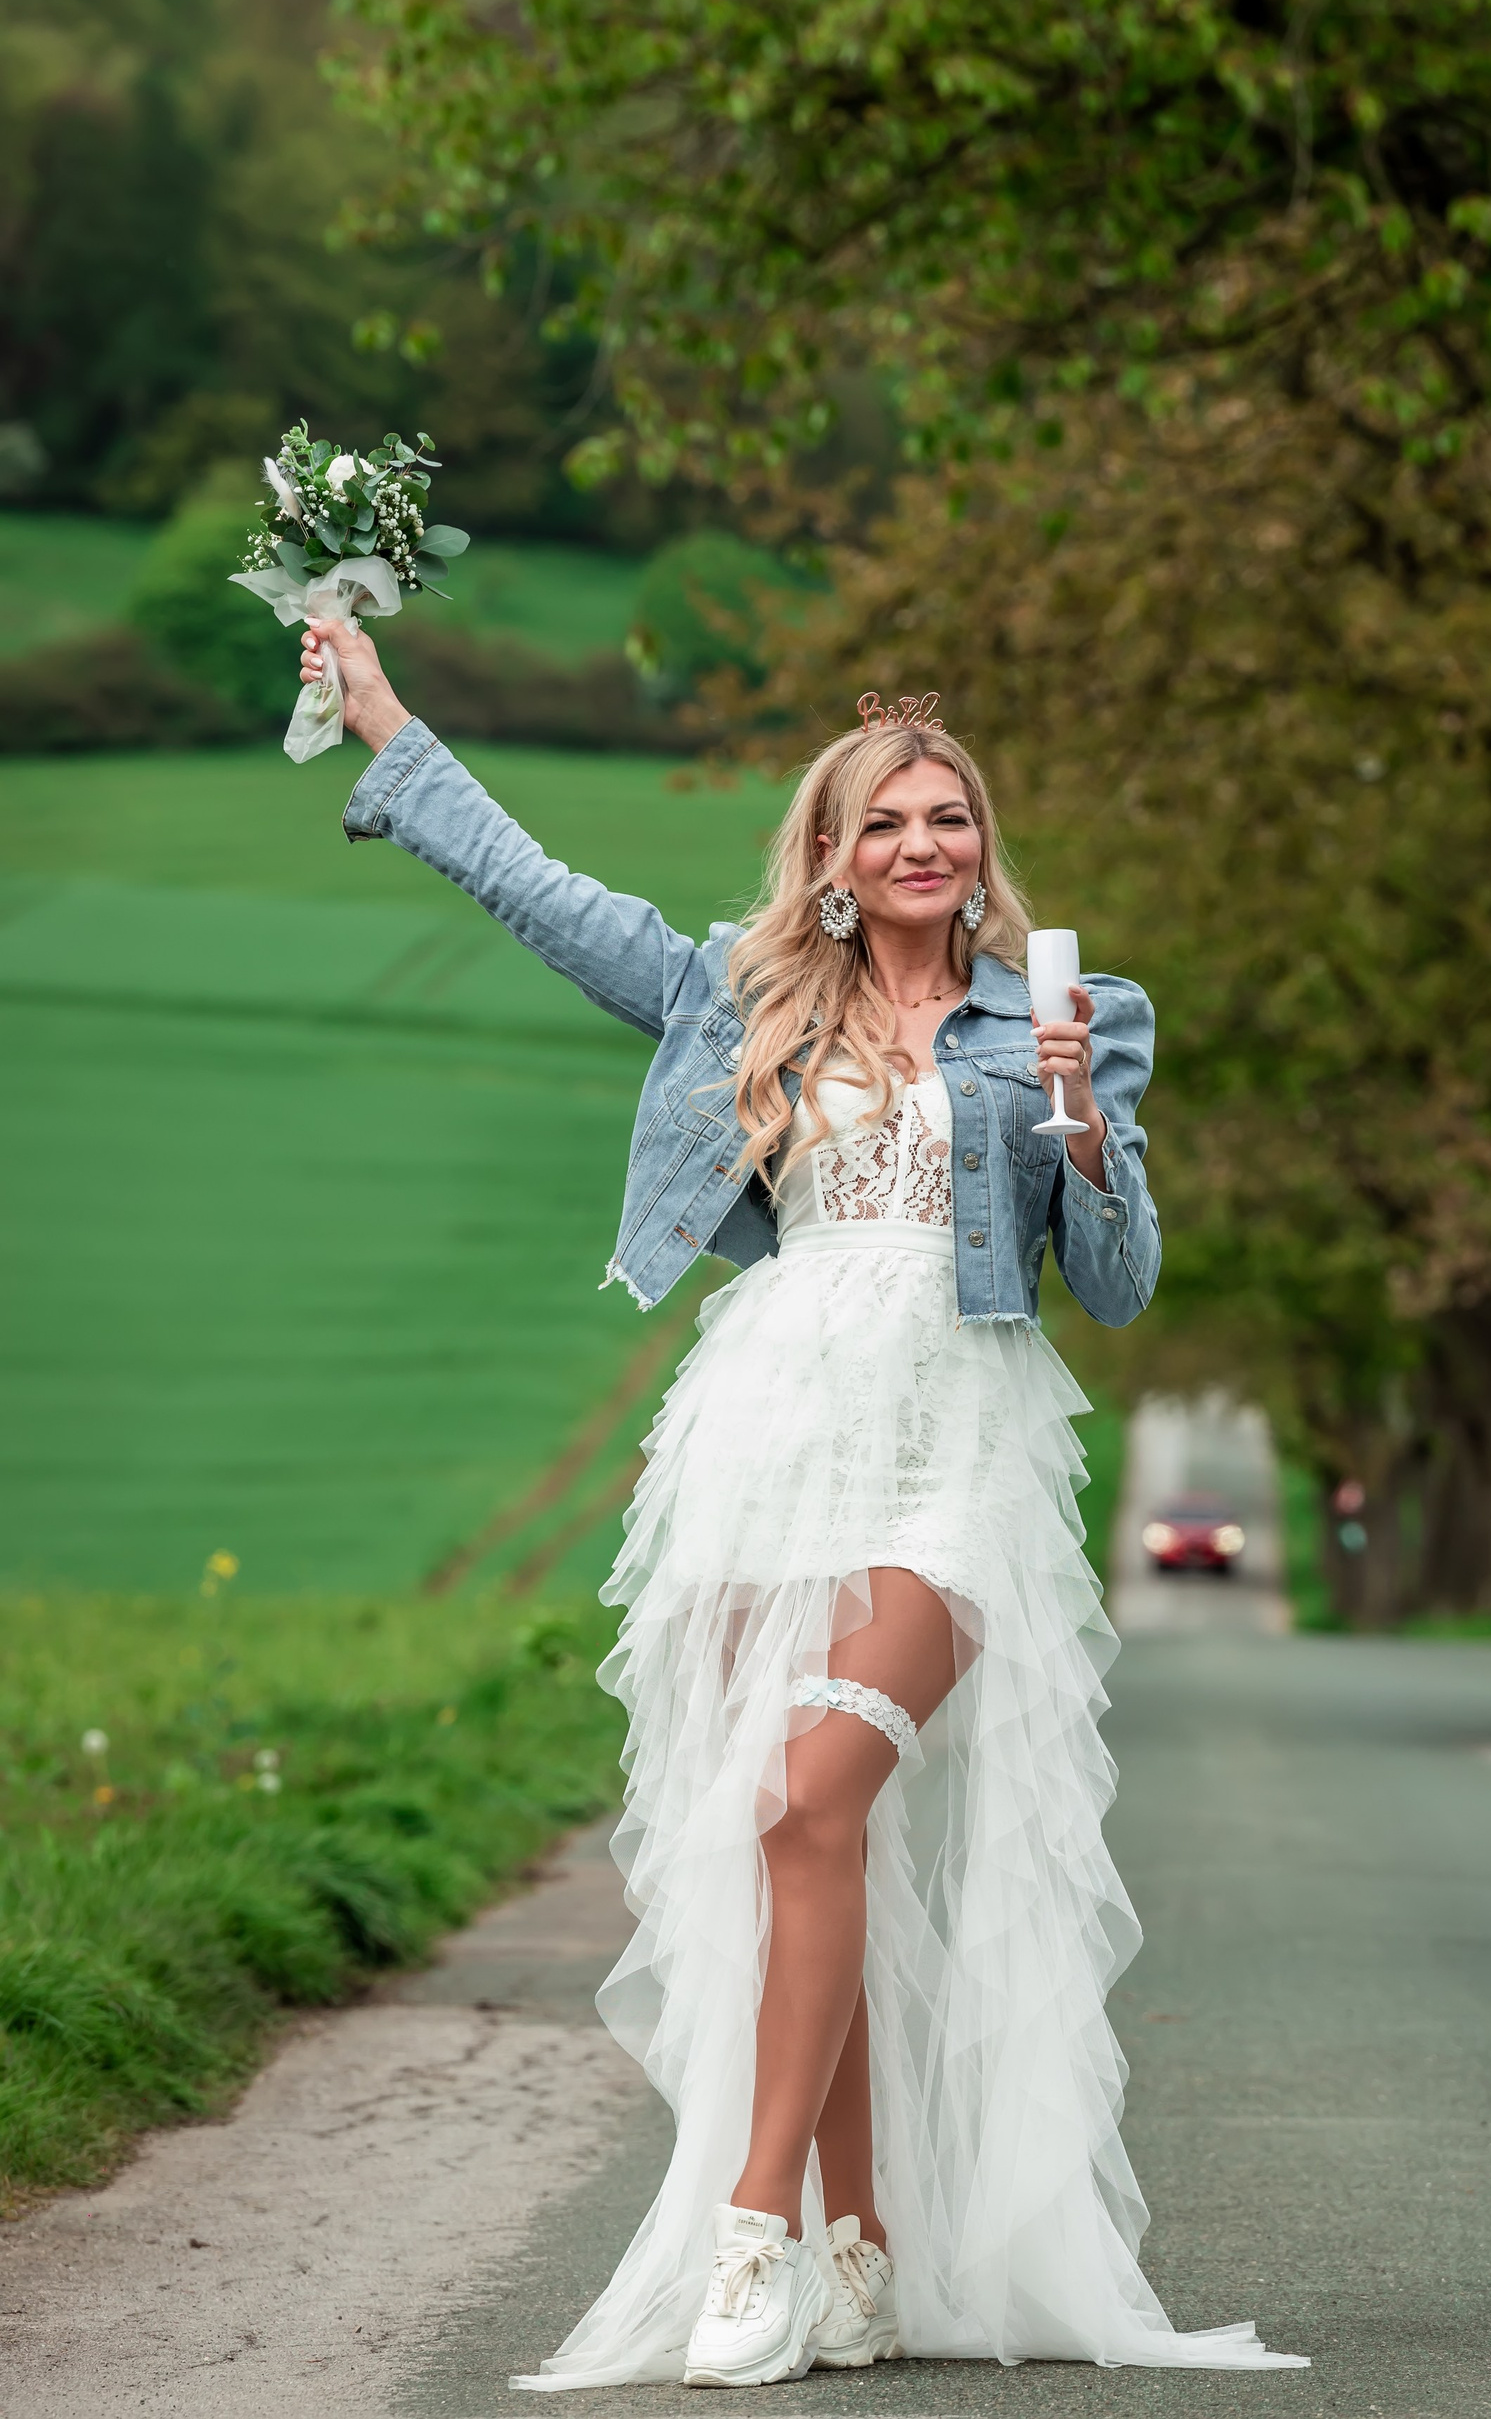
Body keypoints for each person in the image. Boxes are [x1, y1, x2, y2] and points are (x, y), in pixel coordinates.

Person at [302, 621, 1306, 2391]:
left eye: (950, 818)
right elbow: (545, 897)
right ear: (833, 856)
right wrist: (386, 723)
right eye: (887, 822)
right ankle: (863, 2256)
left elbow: (1120, 1284)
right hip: (771, 1427)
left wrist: (1085, 1126)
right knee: (799, 1844)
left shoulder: (1073, 1018)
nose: (924, 844)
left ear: (983, 846)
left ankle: (751, 2232)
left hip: (958, 1442)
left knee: (803, 1792)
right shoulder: (743, 991)